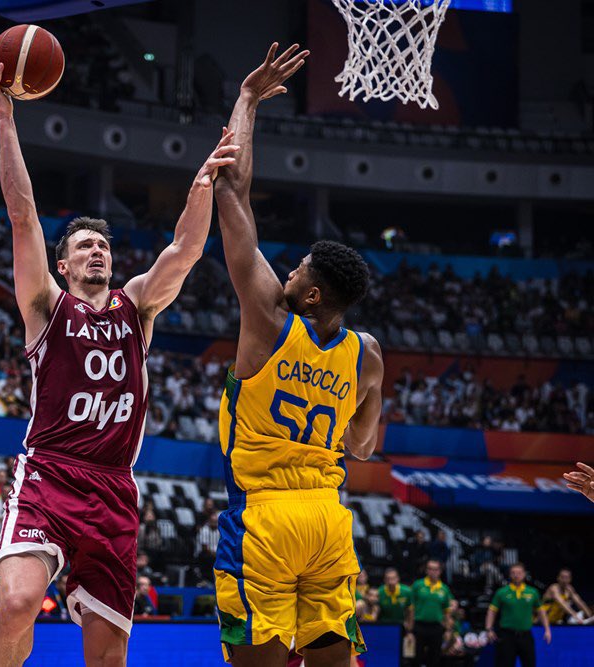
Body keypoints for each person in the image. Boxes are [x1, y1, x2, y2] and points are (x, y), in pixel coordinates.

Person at [0, 45, 239, 667]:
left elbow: (184, 249)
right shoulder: (45, 304)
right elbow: (22, 216)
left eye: (104, 244)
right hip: (50, 472)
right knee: (17, 601)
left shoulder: (137, 307)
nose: (98, 252)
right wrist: (7, 121)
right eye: (84, 247)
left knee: (108, 654)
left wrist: (202, 182)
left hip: (115, 489)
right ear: (64, 264)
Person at [210, 43, 382, 666]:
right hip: (329, 520)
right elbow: (362, 446)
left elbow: (231, 189)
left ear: (310, 292)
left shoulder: (268, 319)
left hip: (264, 519)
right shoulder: (367, 354)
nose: (287, 266)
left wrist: (248, 99)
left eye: (299, 266)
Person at [485, 563, 551, 667]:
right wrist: (489, 629)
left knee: (530, 663)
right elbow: (492, 611)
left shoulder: (532, 592)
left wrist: (547, 629)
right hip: (507, 636)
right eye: (513, 573)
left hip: (525, 636)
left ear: (524, 574)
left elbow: (541, 611)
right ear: (509, 575)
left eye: (519, 573)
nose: (516, 575)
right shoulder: (501, 592)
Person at [411, 560, 454, 667]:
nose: (432, 572)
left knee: (434, 658)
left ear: (439, 571)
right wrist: (410, 629)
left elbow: (447, 612)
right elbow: (410, 608)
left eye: (435, 569)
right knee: (417, 658)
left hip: (436, 627)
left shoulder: (444, 589)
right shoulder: (418, 585)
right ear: (426, 570)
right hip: (419, 626)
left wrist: (448, 630)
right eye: (430, 569)